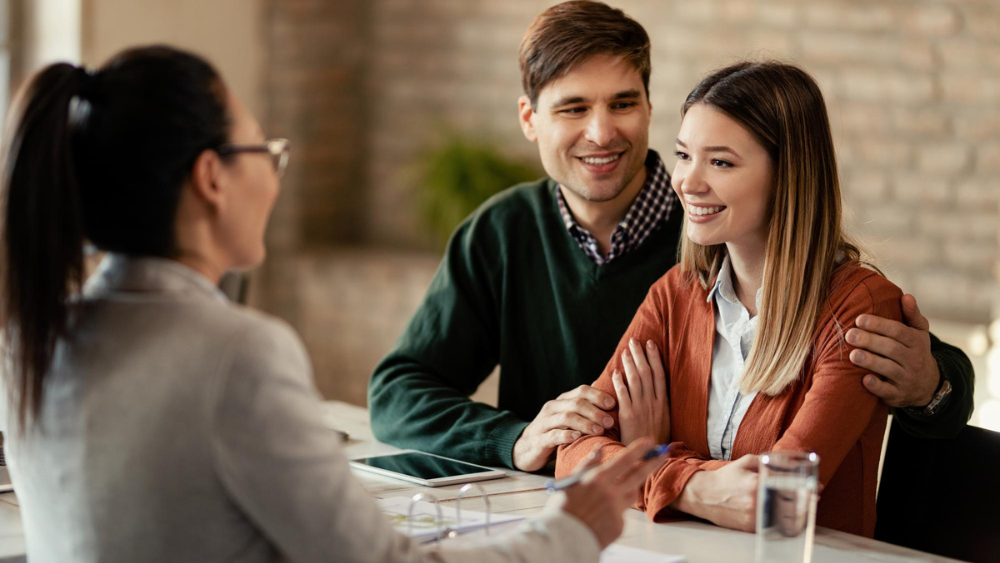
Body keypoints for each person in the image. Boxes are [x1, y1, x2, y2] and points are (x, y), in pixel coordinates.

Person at [0, 45, 665, 563]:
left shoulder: (31, 337)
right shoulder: (239, 353)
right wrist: (570, 530)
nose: (273, 174)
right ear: (211, 179)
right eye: (264, 149)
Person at [367, 0, 974, 473]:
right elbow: (398, 390)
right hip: (571, 508)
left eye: (622, 103)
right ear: (530, 119)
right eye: (573, 108)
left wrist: (933, 385)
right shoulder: (505, 232)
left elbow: (890, 355)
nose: (601, 132)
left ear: (650, 106)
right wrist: (516, 439)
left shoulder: (724, 232)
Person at [557, 60, 901, 538]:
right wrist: (693, 485)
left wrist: (652, 457)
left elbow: (776, 499)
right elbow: (573, 455)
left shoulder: (858, 308)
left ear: (788, 175)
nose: (688, 182)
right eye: (683, 155)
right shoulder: (675, 293)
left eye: (720, 162)